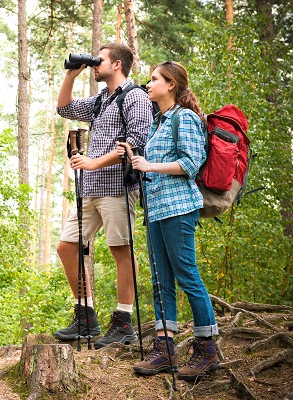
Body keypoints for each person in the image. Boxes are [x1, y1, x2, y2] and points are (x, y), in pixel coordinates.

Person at [116, 60, 220, 381]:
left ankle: (206, 348)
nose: (148, 84)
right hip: (156, 209)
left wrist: (150, 166)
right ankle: (165, 349)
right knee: (161, 280)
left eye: (154, 79)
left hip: (179, 207)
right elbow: (149, 164)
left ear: (171, 84)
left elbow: (191, 163)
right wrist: (133, 158)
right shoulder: (157, 123)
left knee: (187, 275)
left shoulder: (184, 118)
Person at [54, 42, 153, 349]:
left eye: (101, 60)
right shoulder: (100, 100)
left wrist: (94, 162)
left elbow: (137, 141)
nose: (95, 64)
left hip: (118, 188)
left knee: (120, 250)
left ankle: (123, 322)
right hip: (90, 189)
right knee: (66, 247)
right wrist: (72, 75)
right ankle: (85, 315)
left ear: (118, 65)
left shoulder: (135, 96)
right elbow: (64, 108)